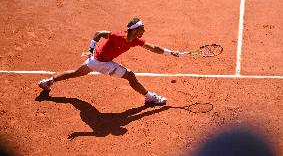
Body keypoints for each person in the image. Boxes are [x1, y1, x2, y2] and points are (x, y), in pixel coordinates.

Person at [38, 18, 180, 105]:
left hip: (94, 60)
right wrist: (91, 49)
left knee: (75, 73)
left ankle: (48, 81)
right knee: (130, 76)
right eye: (142, 29)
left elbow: (153, 47)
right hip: (100, 62)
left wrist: (170, 52)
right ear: (135, 30)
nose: (144, 30)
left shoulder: (136, 40)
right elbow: (98, 33)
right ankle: (150, 98)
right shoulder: (118, 36)